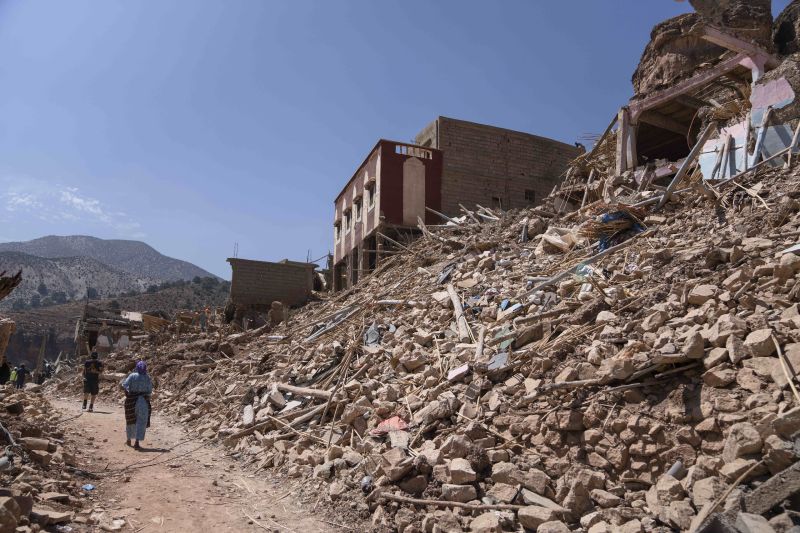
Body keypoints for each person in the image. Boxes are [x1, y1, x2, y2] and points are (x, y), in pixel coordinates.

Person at [121, 360, 153, 450]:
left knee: (130, 419)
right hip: (143, 401)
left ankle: (128, 439)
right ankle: (137, 442)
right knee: (141, 421)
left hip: (131, 401)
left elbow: (125, 385)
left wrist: (128, 392)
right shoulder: (147, 377)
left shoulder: (132, 375)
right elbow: (150, 390)